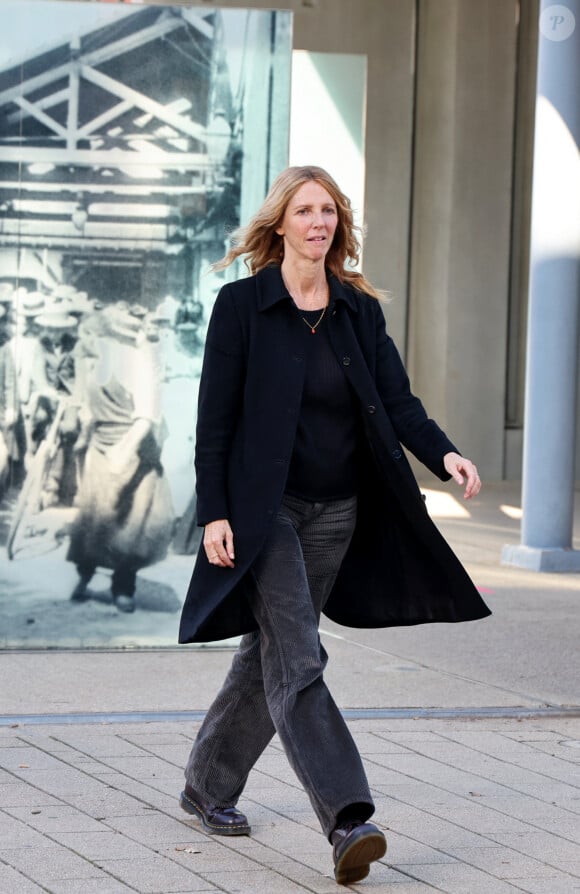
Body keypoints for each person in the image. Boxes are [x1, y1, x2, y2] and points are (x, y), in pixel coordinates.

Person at [178, 165, 490, 885]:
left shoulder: (356, 311)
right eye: (305, 210)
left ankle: (206, 783)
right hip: (266, 517)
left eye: (329, 211)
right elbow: (214, 423)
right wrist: (214, 513)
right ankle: (349, 817)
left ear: (337, 226)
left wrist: (445, 454)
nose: (318, 221)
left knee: (274, 657)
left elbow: (397, 401)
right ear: (280, 224)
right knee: (302, 657)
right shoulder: (241, 308)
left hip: (338, 513)